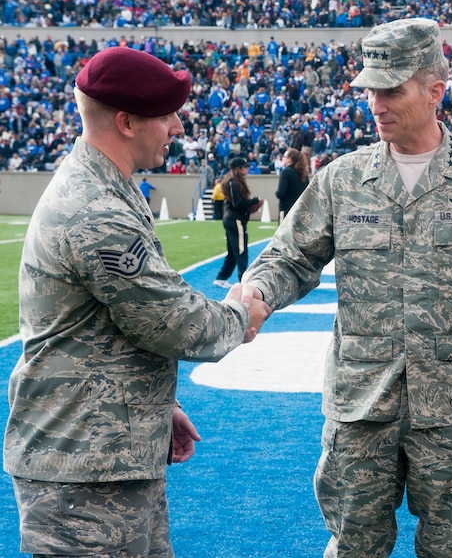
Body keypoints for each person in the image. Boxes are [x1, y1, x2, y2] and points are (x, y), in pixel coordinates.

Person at [242, 18, 452, 558]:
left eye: (391, 90)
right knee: (355, 546)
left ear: (435, 91)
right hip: (362, 404)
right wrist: (258, 294)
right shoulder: (343, 178)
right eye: (370, 89)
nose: (375, 103)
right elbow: (291, 257)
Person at [3, 46, 270, 558]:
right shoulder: (96, 210)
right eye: (166, 115)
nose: (177, 127)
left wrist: (155, 404)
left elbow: (106, 324)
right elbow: (175, 322)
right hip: (83, 470)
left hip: (106, 453)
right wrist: (242, 313)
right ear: (126, 122)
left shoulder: (110, 188)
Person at [213, 157, 261, 289]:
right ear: (238, 169)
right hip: (235, 219)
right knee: (241, 250)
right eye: (245, 167)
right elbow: (238, 203)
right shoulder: (234, 182)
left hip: (232, 218)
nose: (247, 168)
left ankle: (221, 277)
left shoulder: (233, 181)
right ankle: (244, 281)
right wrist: (254, 201)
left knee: (233, 252)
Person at [275, 147, 310, 221]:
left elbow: (280, 193)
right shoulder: (304, 174)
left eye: (284, 156)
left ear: (289, 159)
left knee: (283, 232)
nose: (282, 158)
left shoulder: (286, 172)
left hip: (286, 210)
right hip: (300, 211)